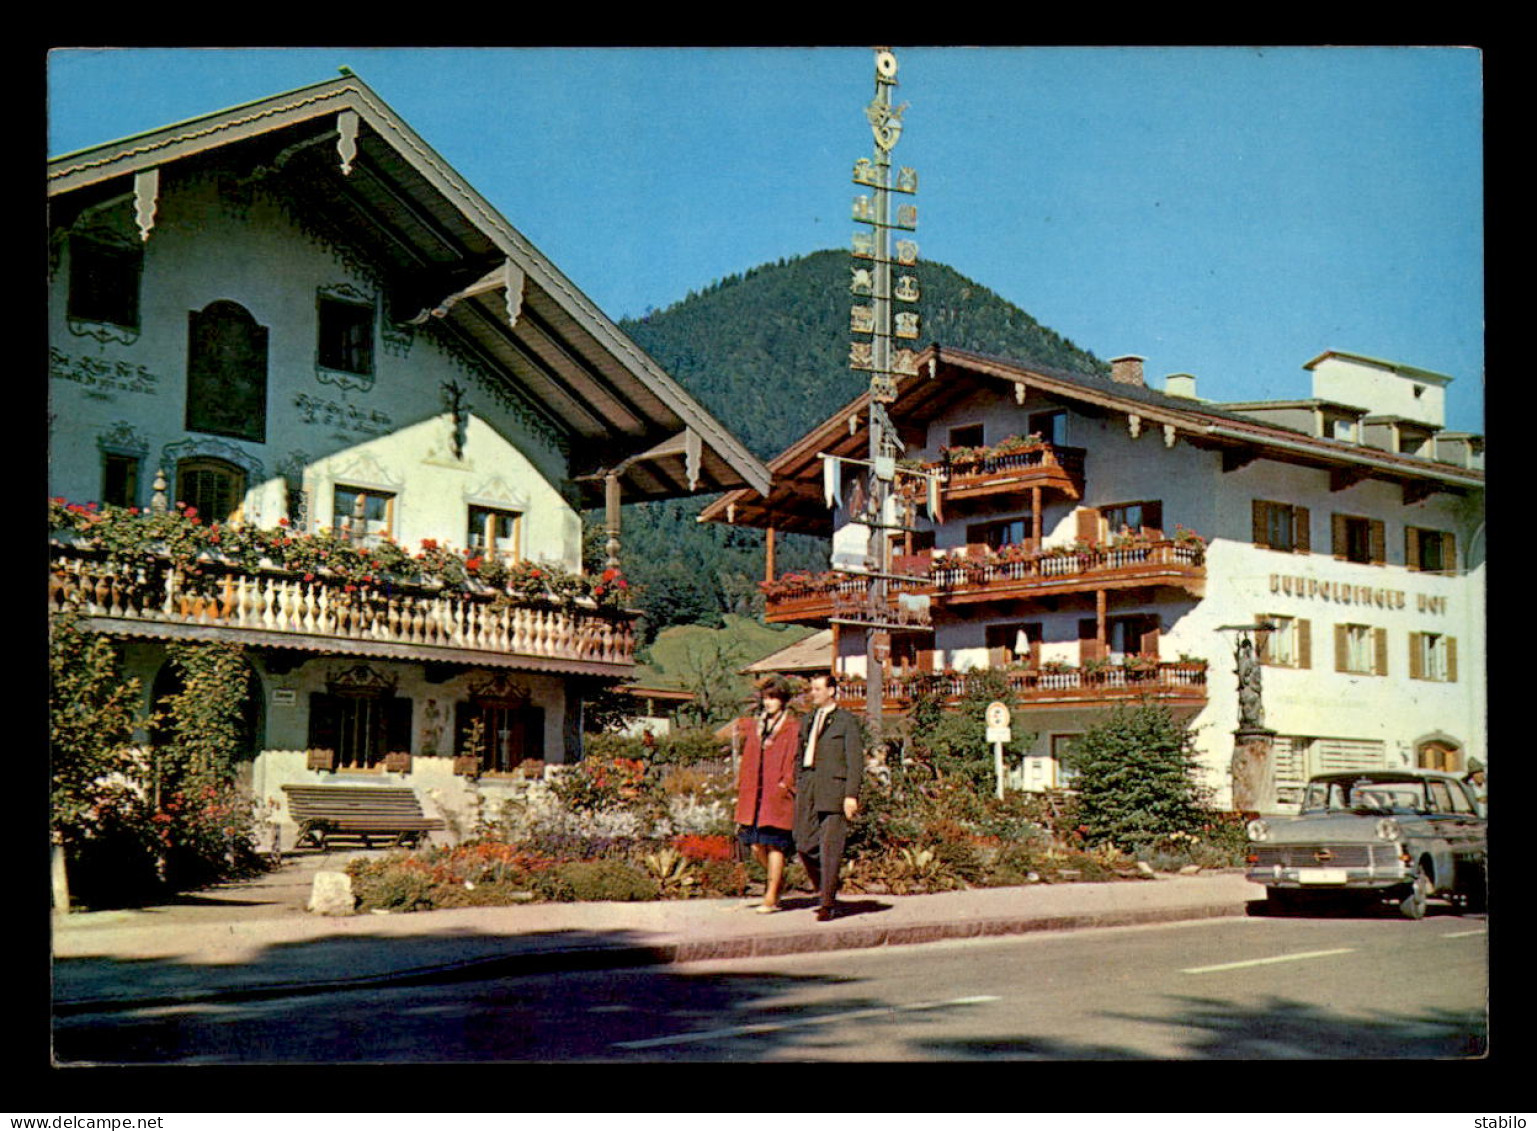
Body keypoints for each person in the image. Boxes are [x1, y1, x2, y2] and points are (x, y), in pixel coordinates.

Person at [794, 671, 864, 922]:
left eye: (818, 689)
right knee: (803, 843)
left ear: (832, 691)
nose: (813, 694)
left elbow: (855, 761)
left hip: (834, 788)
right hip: (809, 785)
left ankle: (827, 903)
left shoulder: (846, 721)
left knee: (830, 847)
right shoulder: (808, 719)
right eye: (812, 689)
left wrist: (851, 795)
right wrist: (798, 780)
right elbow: (800, 753)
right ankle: (827, 886)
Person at [734, 677, 801, 914]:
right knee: (755, 846)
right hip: (755, 795)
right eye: (766, 697)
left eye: (774, 698)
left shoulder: (792, 727)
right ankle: (778, 882)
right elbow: (749, 758)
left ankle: (771, 897)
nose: (769, 702)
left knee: (774, 846)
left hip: (777, 794)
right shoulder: (758, 726)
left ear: (783, 700)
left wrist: (786, 784)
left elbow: (794, 759)